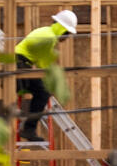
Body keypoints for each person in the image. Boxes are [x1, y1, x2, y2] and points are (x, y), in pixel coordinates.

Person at [15, 9, 77, 142]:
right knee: (43, 92)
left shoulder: (47, 33)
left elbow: (40, 60)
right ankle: (28, 129)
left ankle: (27, 127)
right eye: (67, 34)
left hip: (21, 63)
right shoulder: (49, 38)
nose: (66, 38)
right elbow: (43, 65)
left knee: (40, 89)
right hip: (19, 64)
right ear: (62, 30)